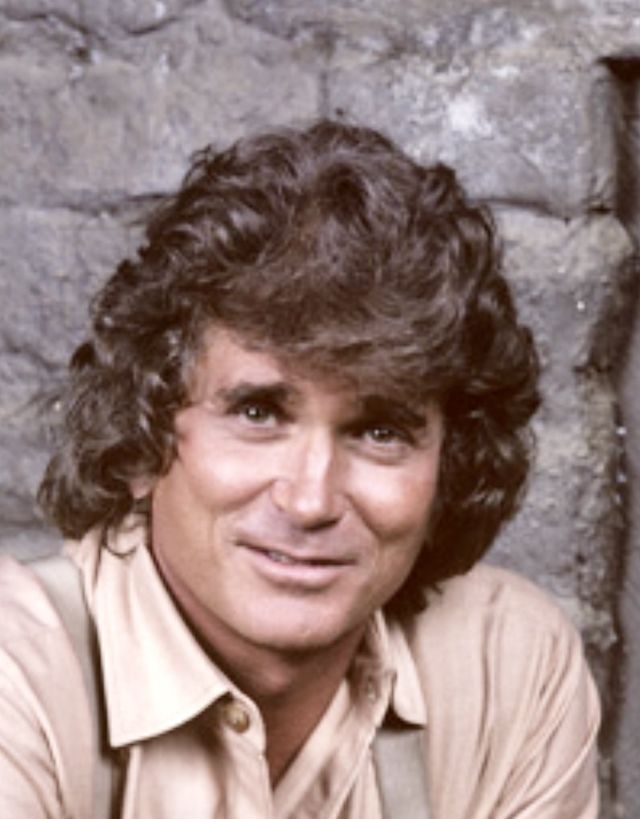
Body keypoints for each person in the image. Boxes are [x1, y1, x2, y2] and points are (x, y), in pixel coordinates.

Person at [0, 119, 599, 818]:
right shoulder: (20, 675)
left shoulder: (510, 668)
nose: (311, 499)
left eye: (379, 432)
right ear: (141, 437)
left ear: (450, 468)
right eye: (257, 414)